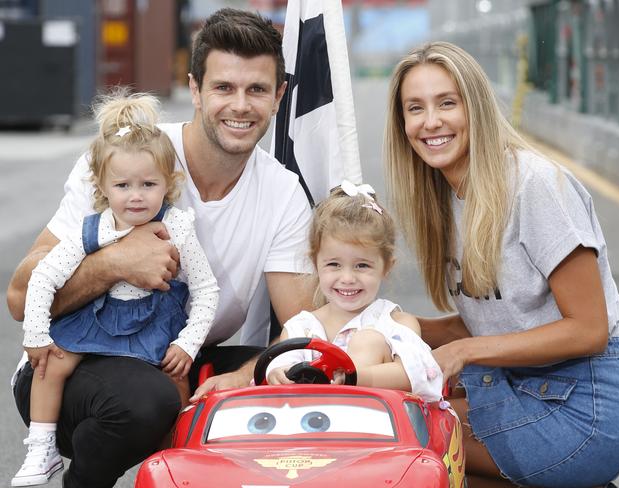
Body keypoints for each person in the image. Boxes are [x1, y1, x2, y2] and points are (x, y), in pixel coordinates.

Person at [8, 8, 314, 488]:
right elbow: (20, 297)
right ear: (194, 89)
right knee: (149, 401)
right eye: (223, 88)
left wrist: (250, 372)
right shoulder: (131, 159)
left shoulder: (283, 192)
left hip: (177, 353)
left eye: (256, 89)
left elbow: (300, 323)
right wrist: (113, 264)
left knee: (302, 375)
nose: (241, 105)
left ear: (278, 96)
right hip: (68, 364)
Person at [384, 41, 619, 487]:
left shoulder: (532, 185)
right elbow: (496, 322)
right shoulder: (445, 199)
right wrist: (380, 328)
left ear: (477, 107)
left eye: (447, 102)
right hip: (526, 384)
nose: (431, 122)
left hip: (586, 404)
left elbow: (589, 328)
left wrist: (463, 352)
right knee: (404, 423)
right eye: (415, 108)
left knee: (415, 438)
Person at [11, 92, 220, 487]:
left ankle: (177, 469)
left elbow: (207, 289)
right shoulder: (92, 229)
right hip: (96, 322)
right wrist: (37, 333)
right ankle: (41, 449)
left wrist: (188, 343)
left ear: (168, 183)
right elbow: (43, 277)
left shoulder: (177, 228)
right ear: (103, 186)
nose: (136, 195)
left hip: (153, 327)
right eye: (123, 185)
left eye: (148, 183)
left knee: (174, 390)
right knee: (52, 364)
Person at [265, 182, 442, 401]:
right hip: (312, 425)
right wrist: (278, 373)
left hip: (375, 426)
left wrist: (355, 376)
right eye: (334, 265)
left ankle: (351, 398)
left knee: (367, 340)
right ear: (315, 263)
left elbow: (417, 373)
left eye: (362, 266)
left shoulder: (396, 322)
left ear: (386, 267)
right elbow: (281, 367)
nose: (347, 278)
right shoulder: (301, 328)